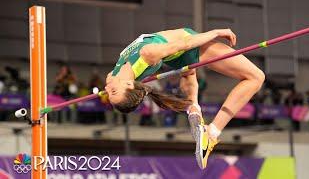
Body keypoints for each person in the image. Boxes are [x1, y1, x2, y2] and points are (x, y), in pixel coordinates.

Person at [105, 28, 265, 169]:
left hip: (174, 57)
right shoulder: (147, 54)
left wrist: (112, 90)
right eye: (112, 91)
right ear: (129, 84)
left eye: (109, 92)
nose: (106, 88)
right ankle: (211, 133)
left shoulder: (111, 77)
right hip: (186, 46)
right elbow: (186, 44)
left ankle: (193, 109)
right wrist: (216, 32)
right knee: (256, 77)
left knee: (188, 73)